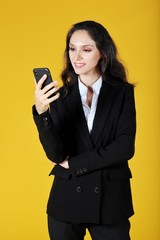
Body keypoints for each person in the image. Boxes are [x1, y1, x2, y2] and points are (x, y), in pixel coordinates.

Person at [32, 20, 136, 240]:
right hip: (67, 200)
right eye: (72, 49)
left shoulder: (121, 93)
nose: (76, 57)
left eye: (86, 50)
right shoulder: (61, 95)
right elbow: (56, 154)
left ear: (102, 53)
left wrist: (74, 163)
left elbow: (124, 147)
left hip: (109, 201)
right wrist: (42, 114)